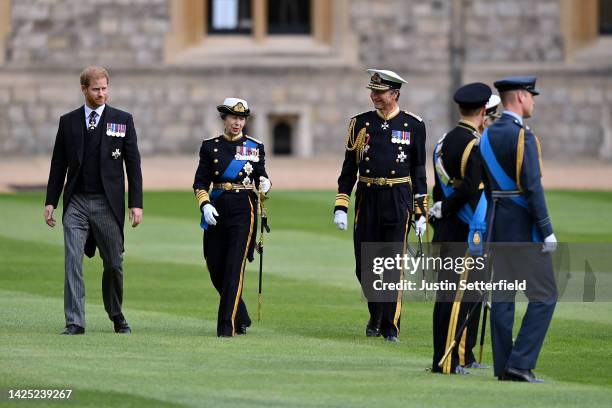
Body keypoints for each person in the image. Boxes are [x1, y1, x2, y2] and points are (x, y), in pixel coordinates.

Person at [44, 66, 143, 335]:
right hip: (75, 201)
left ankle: (116, 313)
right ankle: (75, 321)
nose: (102, 94)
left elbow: (133, 165)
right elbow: (58, 164)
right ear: (84, 89)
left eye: (105, 88)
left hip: (107, 204)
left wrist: (136, 203)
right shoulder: (68, 122)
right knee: (72, 259)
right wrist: (51, 201)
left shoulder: (123, 120)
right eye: (96, 89)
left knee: (114, 262)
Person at [333, 69, 428, 342]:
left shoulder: (414, 125)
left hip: (398, 197)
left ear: (395, 94)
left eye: (380, 92)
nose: (374, 96)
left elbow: (419, 169)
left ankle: (390, 325)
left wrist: (420, 211)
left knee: (392, 265)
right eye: (372, 91)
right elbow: (349, 168)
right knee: (365, 265)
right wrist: (342, 203)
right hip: (367, 195)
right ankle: (375, 313)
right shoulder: (359, 124)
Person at [480, 76, 557, 382]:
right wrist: (546, 228)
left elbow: (488, 190)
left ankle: (503, 366)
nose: (534, 102)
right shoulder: (524, 136)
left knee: (502, 297)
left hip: (497, 227)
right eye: (531, 96)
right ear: (521, 97)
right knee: (545, 294)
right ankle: (520, 362)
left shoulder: (485, 135)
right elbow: (533, 187)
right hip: (523, 228)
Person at [193, 98, 271, 338]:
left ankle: (226, 326)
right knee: (215, 265)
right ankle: (241, 314)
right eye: (233, 118)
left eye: (241, 118)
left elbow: (261, 178)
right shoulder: (209, 146)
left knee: (234, 267)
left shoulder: (254, 147)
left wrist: (266, 185)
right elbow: (199, 182)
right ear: (224, 119)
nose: (237, 122)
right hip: (217, 207)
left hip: (243, 208)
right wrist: (204, 204)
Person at [429, 82, 491, 374]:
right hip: (464, 228)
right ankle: (446, 362)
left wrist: (440, 209)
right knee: (455, 298)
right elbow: (470, 188)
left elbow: (438, 186)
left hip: (444, 227)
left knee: (448, 295)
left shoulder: (443, 141)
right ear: (482, 112)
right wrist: (449, 208)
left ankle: (456, 356)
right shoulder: (474, 145)